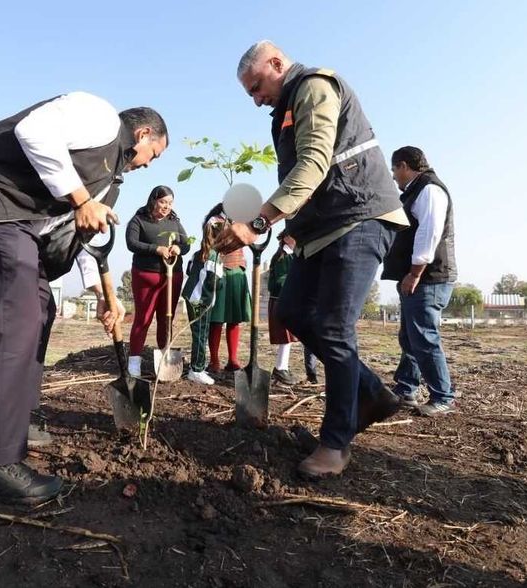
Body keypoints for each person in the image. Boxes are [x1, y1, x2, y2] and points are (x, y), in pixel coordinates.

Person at [0, 91, 167, 504]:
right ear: (144, 132)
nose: (148, 164)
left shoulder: (107, 182)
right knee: (18, 318)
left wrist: (104, 296)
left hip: (11, 222)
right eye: (154, 153)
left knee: (42, 306)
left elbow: (87, 243)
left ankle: (11, 427)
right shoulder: (98, 116)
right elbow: (33, 130)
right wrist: (80, 199)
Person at [217, 41, 410, 478]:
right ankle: (373, 392)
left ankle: (336, 443)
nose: (256, 98)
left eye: (257, 86)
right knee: (293, 312)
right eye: (249, 93)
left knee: (332, 327)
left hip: (359, 217)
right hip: (320, 230)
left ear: (276, 63)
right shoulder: (286, 108)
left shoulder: (314, 86)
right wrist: (291, 226)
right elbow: (305, 184)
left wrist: (260, 222)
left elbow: (316, 163)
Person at [381, 146, 457, 417]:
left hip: (429, 277)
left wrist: (414, 273)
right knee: (411, 336)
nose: (393, 177)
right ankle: (406, 388)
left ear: (404, 166)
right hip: (419, 277)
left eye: (393, 170)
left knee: (424, 337)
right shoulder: (416, 190)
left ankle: (443, 396)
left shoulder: (429, 190)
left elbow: (429, 233)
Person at [124, 185, 190, 377]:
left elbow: (186, 243)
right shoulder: (139, 220)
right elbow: (132, 243)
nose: (166, 206)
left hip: (172, 276)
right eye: (162, 202)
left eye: (169, 203)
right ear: (153, 200)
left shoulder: (174, 223)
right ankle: (134, 360)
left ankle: (164, 357)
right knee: (143, 318)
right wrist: (156, 249)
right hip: (146, 276)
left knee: (166, 318)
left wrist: (178, 248)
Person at [267, 231, 319, 385]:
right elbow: (280, 281)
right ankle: (280, 368)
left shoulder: (291, 256)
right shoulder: (283, 257)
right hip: (282, 300)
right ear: (286, 239)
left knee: (288, 338)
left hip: (287, 299)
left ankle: (281, 367)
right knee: (286, 337)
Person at [205, 204, 251, 373]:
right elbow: (210, 245)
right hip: (220, 271)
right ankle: (214, 361)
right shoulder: (214, 221)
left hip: (238, 271)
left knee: (234, 318)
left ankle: (233, 360)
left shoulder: (242, 221)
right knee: (216, 319)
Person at [182, 217, 226, 385]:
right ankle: (196, 370)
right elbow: (217, 283)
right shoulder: (215, 257)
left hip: (191, 297)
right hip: (201, 300)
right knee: (201, 335)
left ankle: (197, 365)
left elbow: (189, 269)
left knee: (198, 334)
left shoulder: (198, 253)